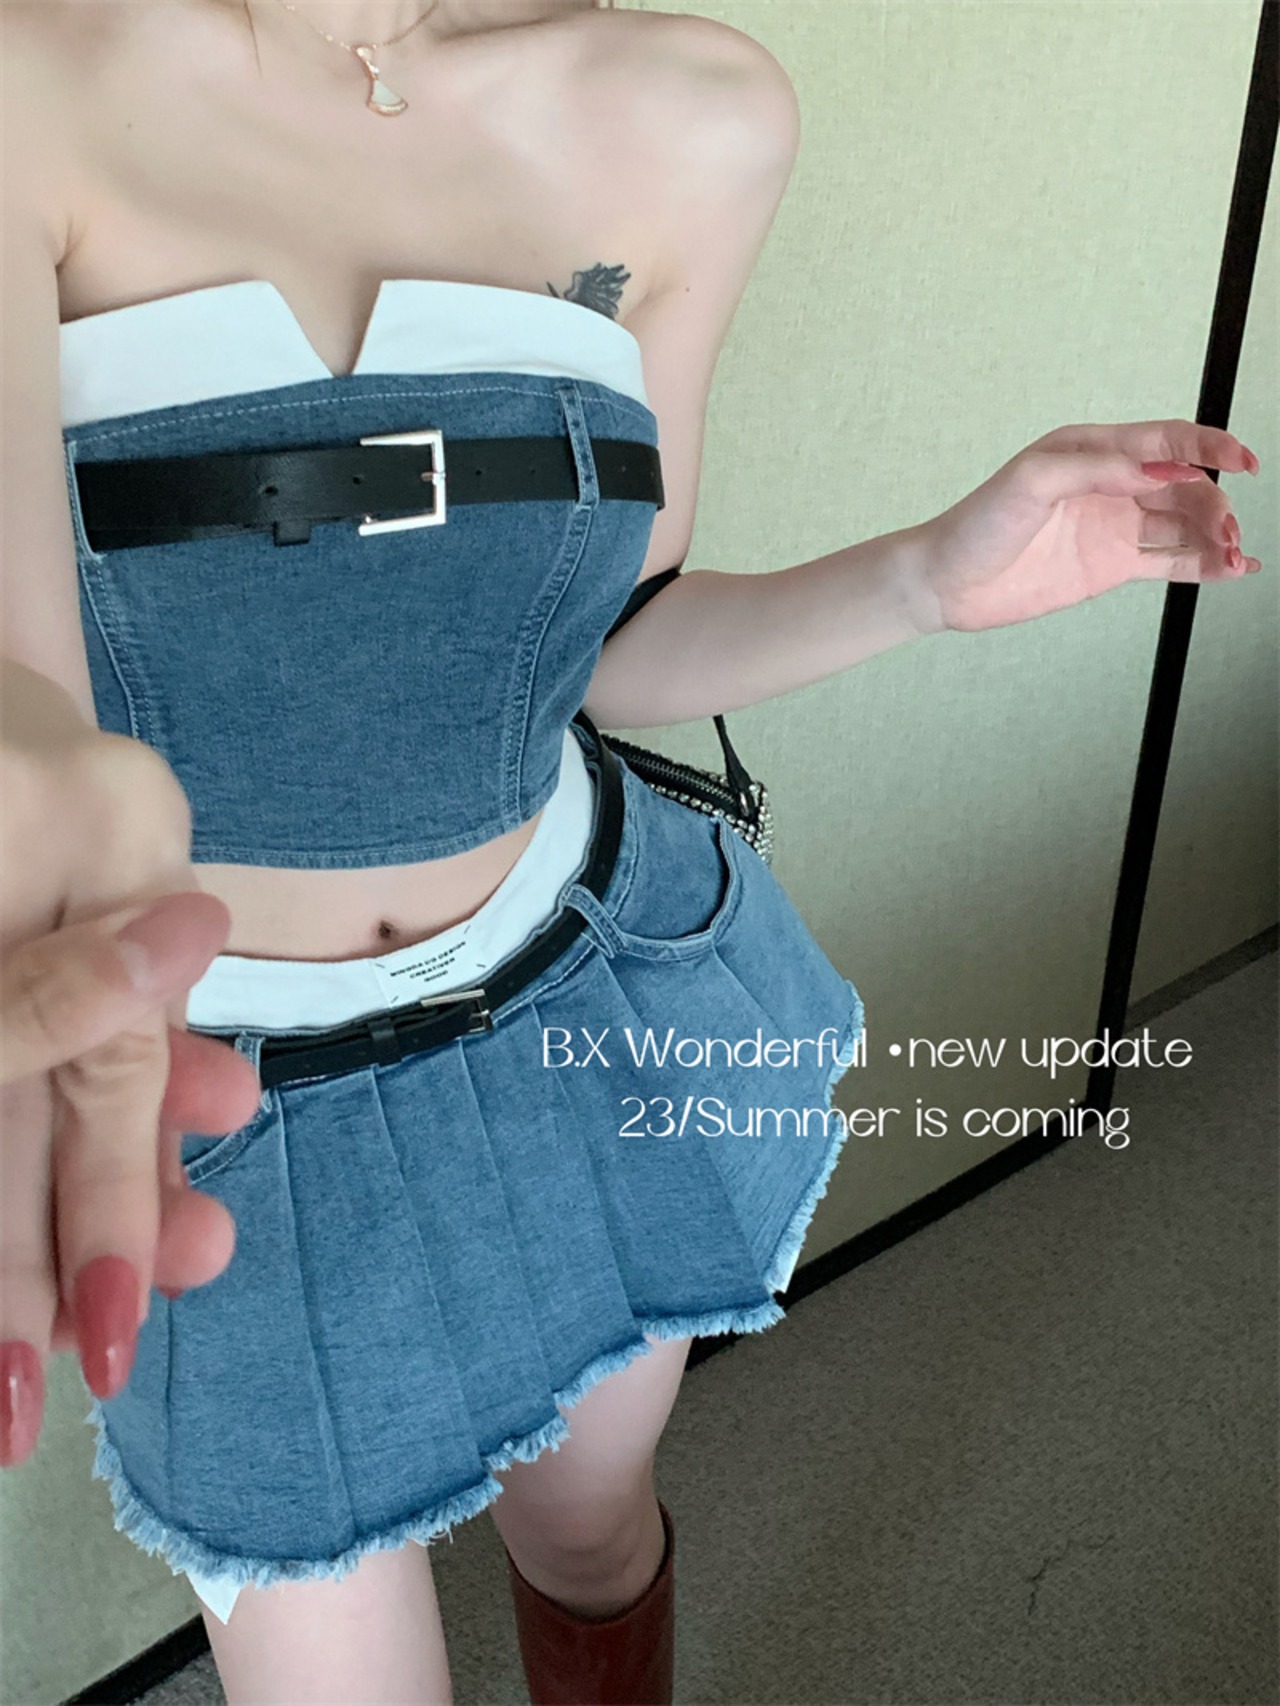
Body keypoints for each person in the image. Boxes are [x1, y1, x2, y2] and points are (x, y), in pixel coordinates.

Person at [0, 0, 1261, 1701]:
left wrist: (922, 578)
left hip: (574, 1007)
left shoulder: (697, 112)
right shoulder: (29, 78)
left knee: (592, 1535)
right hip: (217, 1094)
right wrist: (49, 818)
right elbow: (24, 693)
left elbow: (613, 638)